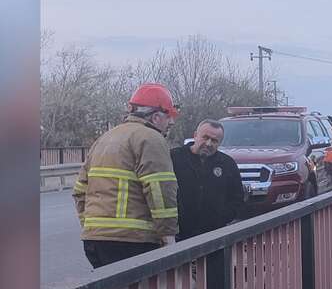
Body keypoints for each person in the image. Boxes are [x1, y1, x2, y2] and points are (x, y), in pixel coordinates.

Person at [73, 83, 180, 268]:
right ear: (156, 116)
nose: (171, 122)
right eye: (168, 116)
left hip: (94, 240)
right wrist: (168, 237)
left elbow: (79, 190)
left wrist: (92, 227)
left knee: (111, 288)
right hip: (133, 241)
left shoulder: (105, 138)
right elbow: (160, 190)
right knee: (145, 288)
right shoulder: (151, 138)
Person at [170, 119, 244, 241]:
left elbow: (237, 198)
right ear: (195, 135)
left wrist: (221, 218)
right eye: (205, 138)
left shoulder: (227, 164)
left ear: (220, 142)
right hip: (179, 235)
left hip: (215, 236)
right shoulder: (174, 158)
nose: (208, 144)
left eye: (214, 141)